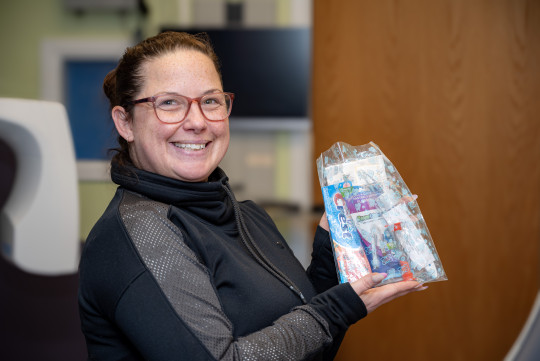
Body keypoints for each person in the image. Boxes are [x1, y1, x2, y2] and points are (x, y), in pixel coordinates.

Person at [78, 31, 426, 361]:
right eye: (169, 103)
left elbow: (307, 347)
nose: (197, 121)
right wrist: (336, 310)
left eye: (210, 100)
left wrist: (331, 247)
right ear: (125, 123)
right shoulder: (136, 236)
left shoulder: (247, 215)